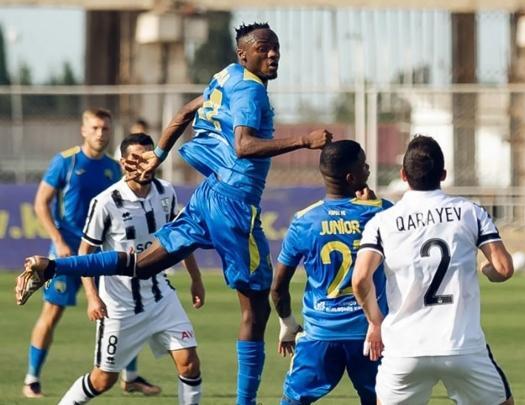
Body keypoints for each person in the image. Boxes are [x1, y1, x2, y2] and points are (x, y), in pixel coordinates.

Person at [16, 22, 331, 405]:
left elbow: (184, 112)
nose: (273, 54)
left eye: (275, 47)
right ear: (243, 54)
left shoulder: (226, 77)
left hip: (207, 195)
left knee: (141, 265)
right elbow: (244, 146)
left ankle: (51, 267)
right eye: (263, 48)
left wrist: (159, 154)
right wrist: (304, 140)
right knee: (254, 309)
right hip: (234, 204)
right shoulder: (250, 90)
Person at [352, 135, 515, 405]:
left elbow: (360, 280)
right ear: (443, 175)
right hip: (461, 347)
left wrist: (375, 321)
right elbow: (504, 268)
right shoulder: (470, 212)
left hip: (404, 350)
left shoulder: (382, 222)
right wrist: (487, 270)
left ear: (403, 175)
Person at [58, 133, 203, 404]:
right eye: (137, 158)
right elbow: (85, 253)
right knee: (103, 380)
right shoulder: (105, 202)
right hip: (120, 306)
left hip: (161, 298)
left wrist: (196, 279)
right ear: (123, 163)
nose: (144, 164)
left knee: (189, 363)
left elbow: (180, 239)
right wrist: (92, 297)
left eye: (149, 157)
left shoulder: (166, 192)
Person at [271, 140, 391, 405]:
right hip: (369, 334)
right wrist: (374, 204)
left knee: (292, 400)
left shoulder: (304, 220)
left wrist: (287, 324)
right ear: (351, 178)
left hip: (320, 335)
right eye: (363, 165)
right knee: (381, 399)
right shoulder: (381, 213)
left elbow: (278, 287)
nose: (368, 168)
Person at [21, 109, 124, 398]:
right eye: (95, 128)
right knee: (52, 313)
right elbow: (41, 203)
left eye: (105, 128)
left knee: (119, 309)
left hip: (99, 253)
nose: (100, 133)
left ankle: (129, 376)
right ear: (83, 130)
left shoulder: (113, 168)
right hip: (66, 251)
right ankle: (32, 379)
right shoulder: (66, 161)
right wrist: (58, 240)